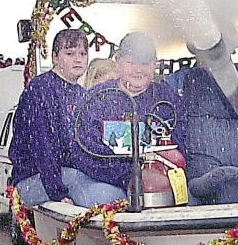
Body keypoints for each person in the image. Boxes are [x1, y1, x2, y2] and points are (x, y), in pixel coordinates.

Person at [71, 32, 187, 204]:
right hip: (108, 181)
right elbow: (84, 153)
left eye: (145, 63)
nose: (138, 70)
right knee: (105, 198)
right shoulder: (95, 99)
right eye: (131, 63)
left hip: (159, 183)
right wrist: (128, 176)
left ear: (155, 64)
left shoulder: (167, 100)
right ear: (117, 63)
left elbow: (182, 144)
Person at [10, 29, 109, 207]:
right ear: (55, 57)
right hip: (34, 179)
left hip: (71, 174)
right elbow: (42, 145)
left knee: (113, 189)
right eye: (70, 53)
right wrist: (58, 193)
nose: (78, 59)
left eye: (82, 53)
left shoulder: (82, 94)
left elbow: (90, 145)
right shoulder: (40, 89)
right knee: (105, 198)